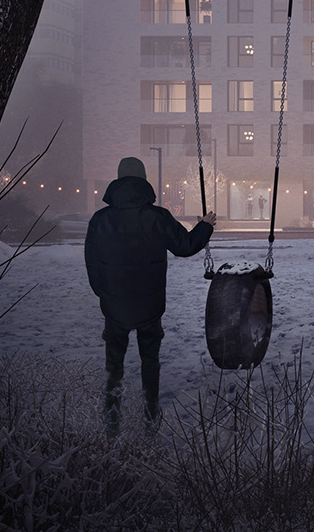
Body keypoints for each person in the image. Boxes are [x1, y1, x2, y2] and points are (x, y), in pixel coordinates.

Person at [85, 156, 216, 434]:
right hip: (150, 304)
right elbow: (186, 246)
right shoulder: (158, 217)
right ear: (144, 180)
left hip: (115, 306)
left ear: (118, 180)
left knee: (114, 366)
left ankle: (111, 420)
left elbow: (93, 264)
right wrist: (205, 225)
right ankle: (150, 416)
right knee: (150, 361)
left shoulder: (100, 220)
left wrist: (105, 295)